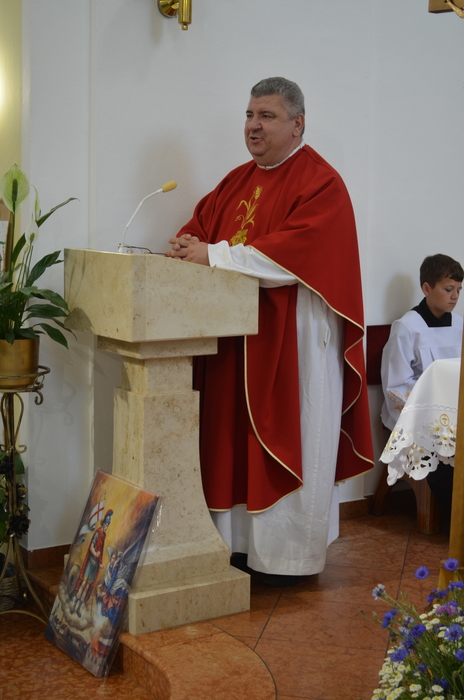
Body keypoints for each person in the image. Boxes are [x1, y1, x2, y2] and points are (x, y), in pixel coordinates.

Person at [165, 77, 373, 584]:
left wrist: (213, 255)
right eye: (249, 115)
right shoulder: (236, 181)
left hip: (293, 339)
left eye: (267, 116)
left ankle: (286, 559)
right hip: (233, 339)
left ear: (298, 124)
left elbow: (295, 252)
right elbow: (201, 228)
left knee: (291, 433)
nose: (253, 126)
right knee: (230, 442)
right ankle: (235, 548)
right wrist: (188, 245)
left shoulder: (321, 182)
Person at [381, 253, 463, 520]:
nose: (455, 296)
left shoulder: (460, 324)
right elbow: (395, 386)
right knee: (443, 452)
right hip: (419, 412)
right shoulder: (407, 327)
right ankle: (456, 521)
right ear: (427, 288)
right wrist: (433, 408)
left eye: (459, 290)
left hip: (454, 409)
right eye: (448, 289)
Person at [71, 509, 113, 616]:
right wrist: (95, 554)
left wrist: (100, 563)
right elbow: (92, 547)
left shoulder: (104, 535)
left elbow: (100, 552)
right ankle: (74, 606)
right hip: (90, 563)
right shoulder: (98, 533)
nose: (107, 527)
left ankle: (78, 608)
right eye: (106, 524)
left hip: (95, 565)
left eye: (108, 525)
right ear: (103, 524)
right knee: (83, 584)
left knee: (87, 587)